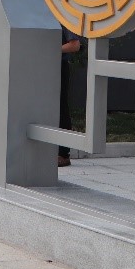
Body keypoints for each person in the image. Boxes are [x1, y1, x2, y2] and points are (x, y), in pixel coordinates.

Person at [57, 28, 81, 167]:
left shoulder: (64, 19)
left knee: (60, 107)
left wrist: (50, 50)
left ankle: (63, 154)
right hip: (42, 64)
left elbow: (75, 45)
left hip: (58, 65)